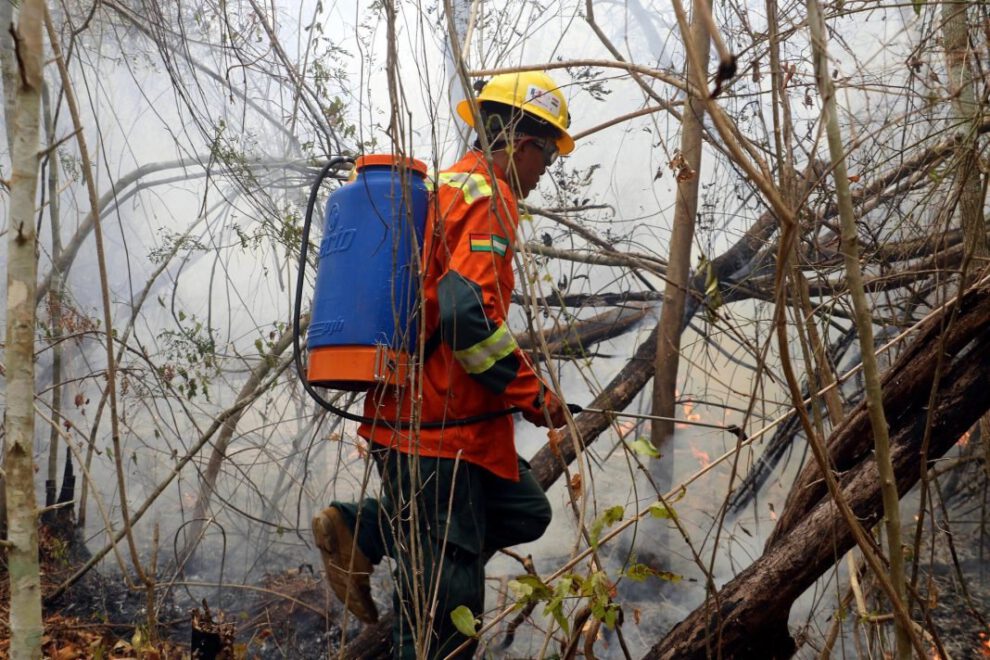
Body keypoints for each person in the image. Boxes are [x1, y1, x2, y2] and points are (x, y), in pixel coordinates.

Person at [313, 70, 575, 659]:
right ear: (521, 145)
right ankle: (408, 547)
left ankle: (366, 529)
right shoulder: (490, 197)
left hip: (435, 426)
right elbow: (464, 315)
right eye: (548, 155)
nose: (545, 171)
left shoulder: (446, 188)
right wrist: (534, 396)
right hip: (437, 438)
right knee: (442, 628)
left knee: (525, 510)